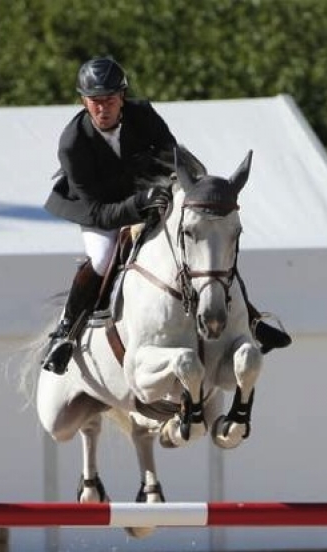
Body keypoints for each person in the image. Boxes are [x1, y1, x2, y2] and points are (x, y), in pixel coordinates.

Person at [41, 56, 291, 375]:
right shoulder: (73, 142)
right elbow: (97, 210)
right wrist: (138, 204)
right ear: (83, 101)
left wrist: (185, 187)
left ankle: (251, 321)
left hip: (150, 192)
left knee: (200, 242)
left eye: (110, 100)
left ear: (122, 98)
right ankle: (66, 332)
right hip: (99, 206)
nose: (102, 108)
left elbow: (174, 159)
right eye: (95, 102)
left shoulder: (143, 115)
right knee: (103, 257)